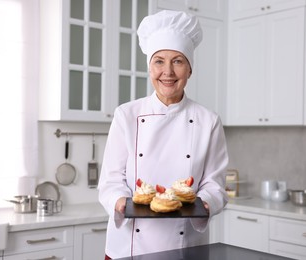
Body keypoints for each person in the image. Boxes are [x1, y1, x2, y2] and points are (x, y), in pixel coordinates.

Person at [97, 10, 229, 259]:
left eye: (178, 61)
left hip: (186, 246)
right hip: (128, 248)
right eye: (159, 61)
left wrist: (207, 202)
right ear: (150, 68)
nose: (167, 71)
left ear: (190, 70)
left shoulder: (208, 121)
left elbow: (215, 183)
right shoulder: (126, 115)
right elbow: (110, 181)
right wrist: (121, 202)